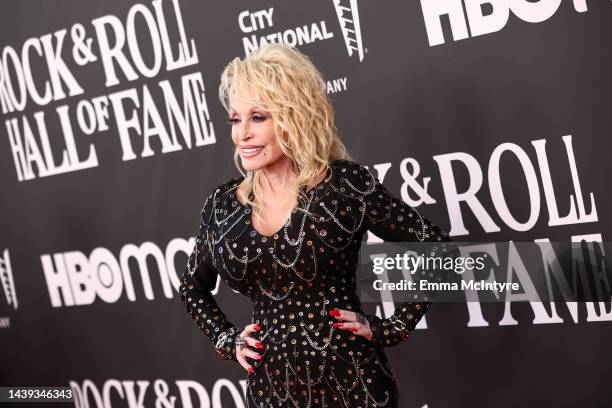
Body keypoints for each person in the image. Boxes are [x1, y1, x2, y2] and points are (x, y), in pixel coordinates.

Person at [178, 43, 454, 407]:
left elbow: (437, 247)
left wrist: (394, 326)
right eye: (235, 119)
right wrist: (227, 339)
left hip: (354, 384)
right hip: (271, 392)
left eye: (258, 117)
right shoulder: (222, 205)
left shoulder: (345, 186)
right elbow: (192, 287)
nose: (241, 133)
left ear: (294, 116)